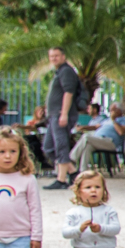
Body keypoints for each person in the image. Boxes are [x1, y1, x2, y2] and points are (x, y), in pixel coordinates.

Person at [43, 48, 82, 190]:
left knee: (61, 145)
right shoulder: (58, 72)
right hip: (54, 115)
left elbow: (69, 92)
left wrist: (64, 113)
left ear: (63, 56)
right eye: (51, 56)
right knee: (48, 147)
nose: (53, 58)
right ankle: (74, 173)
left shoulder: (66, 71)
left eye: (56, 56)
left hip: (61, 114)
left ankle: (61, 179)